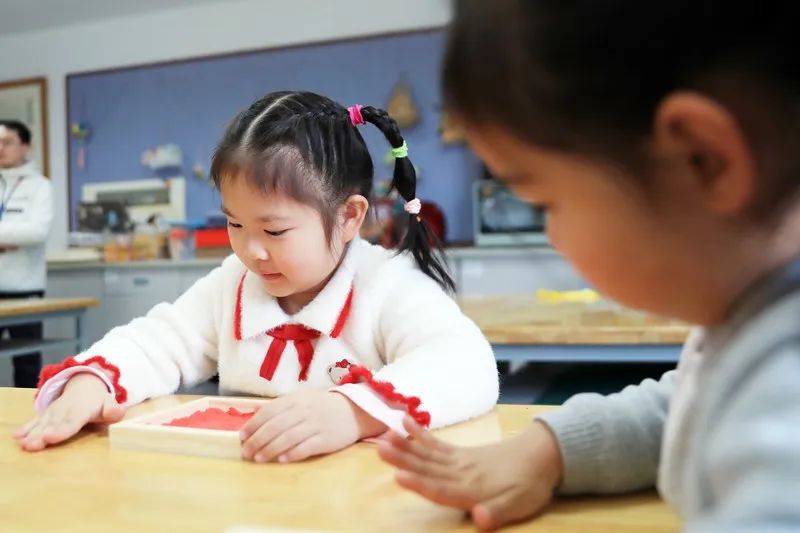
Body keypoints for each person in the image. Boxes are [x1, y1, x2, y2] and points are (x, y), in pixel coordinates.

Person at [378, 1, 800, 530]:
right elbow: (684, 410)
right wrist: (548, 448)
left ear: (701, 158)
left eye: (544, 202)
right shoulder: (751, 331)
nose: (549, 234)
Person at [15, 91, 499, 463]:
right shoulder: (233, 283)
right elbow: (157, 340)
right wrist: (93, 382)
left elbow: (465, 363)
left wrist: (353, 410)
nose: (251, 250)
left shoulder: (386, 283)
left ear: (350, 216)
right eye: (235, 224)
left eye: (275, 229)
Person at [0, 120, 53, 388]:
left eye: (7, 141)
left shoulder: (39, 186)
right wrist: (11, 236)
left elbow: (36, 231)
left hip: (25, 288)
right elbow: (22, 232)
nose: (0, 148)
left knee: (26, 363)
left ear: (25, 146)